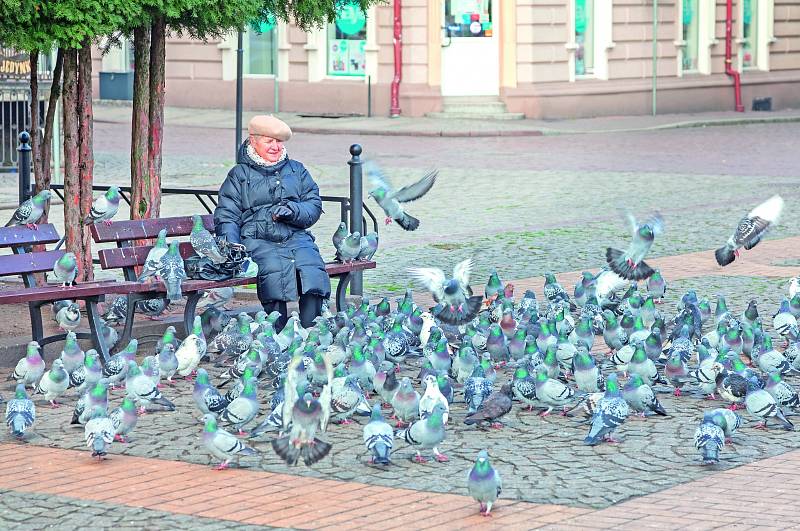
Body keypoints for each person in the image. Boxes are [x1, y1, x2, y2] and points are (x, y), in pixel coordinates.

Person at [214, 115, 330, 329]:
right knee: (273, 268)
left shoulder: (296, 170)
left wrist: (292, 210)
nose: (276, 147)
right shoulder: (239, 175)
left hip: (294, 235)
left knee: (312, 266)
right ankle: (276, 332)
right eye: (269, 141)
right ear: (253, 141)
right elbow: (227, 215)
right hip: (258, 238)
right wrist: (233, 247)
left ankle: (311, 330)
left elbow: (313, 204)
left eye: (279, 142)